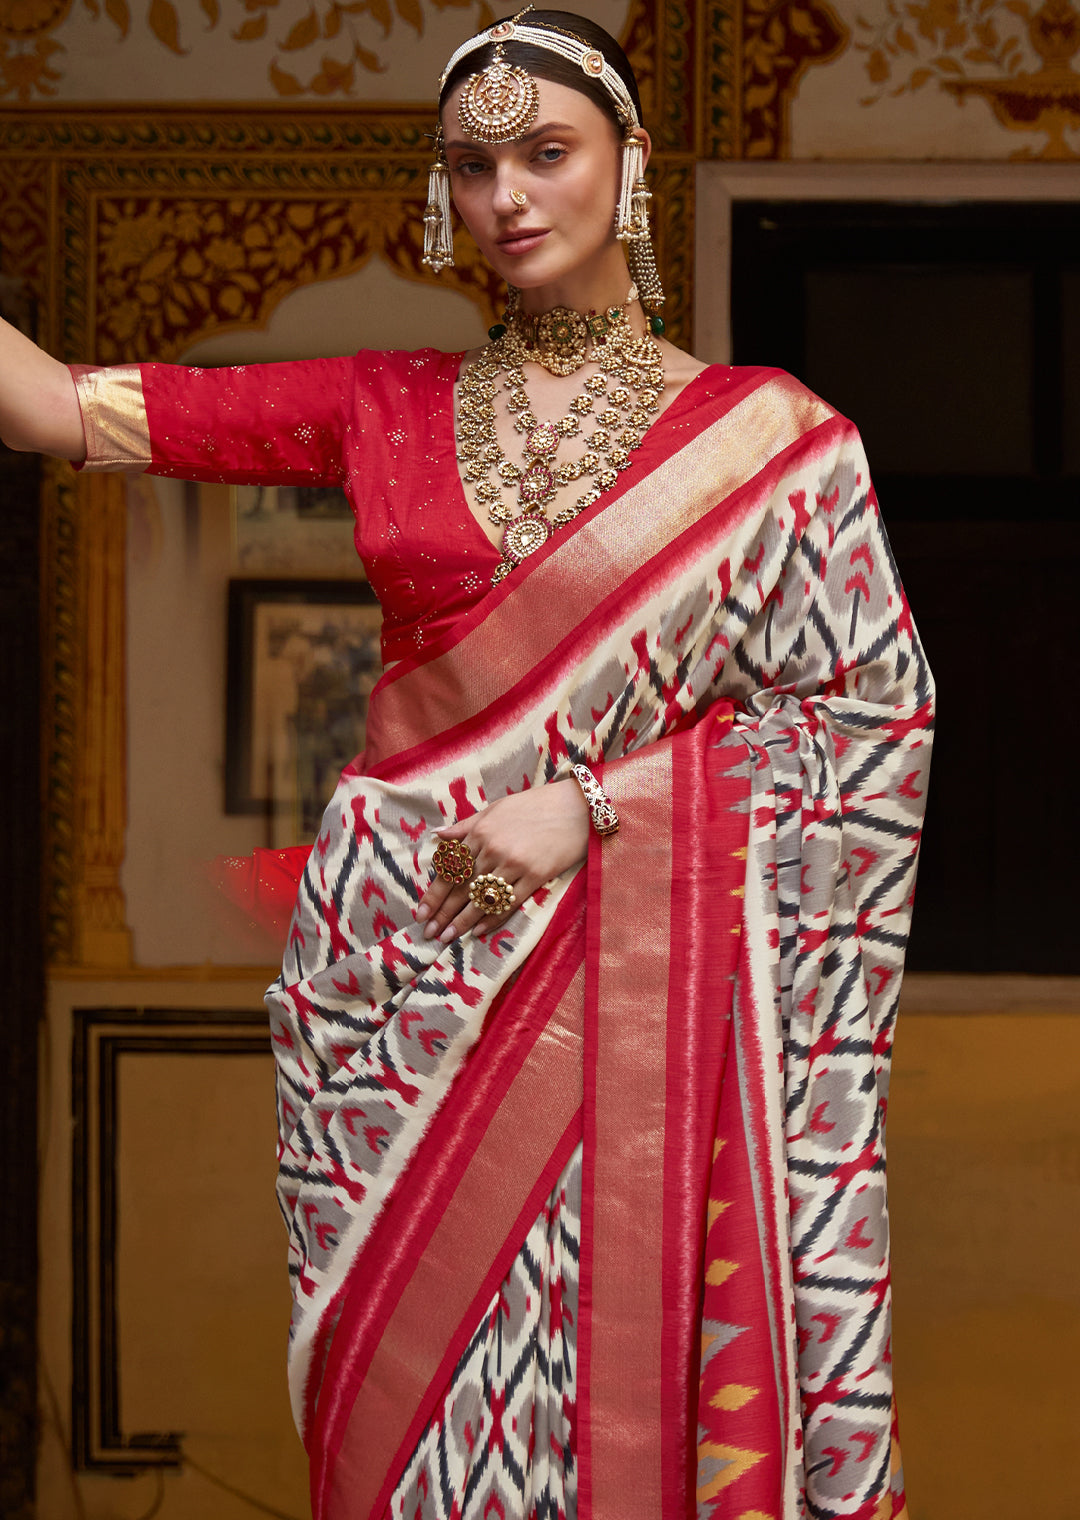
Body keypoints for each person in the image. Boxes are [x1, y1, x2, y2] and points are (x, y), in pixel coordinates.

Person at [0, 9, 933, 1517]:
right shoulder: (384, 406)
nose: (508, 195)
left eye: (546, 153)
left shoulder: (774, 446)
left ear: (628, 165)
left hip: (636, 996)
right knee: (399, 1425)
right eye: (474, 164)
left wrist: (600, 805)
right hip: (395, 998)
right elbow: (54, 407)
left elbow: (866, 721)